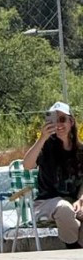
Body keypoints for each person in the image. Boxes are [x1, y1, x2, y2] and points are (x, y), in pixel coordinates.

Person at [23, 101, 83, 249]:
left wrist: (81, 200)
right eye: (54, 120)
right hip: (46, 203)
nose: (59, 124)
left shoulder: (80, 151)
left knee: (72, 209)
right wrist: (42, 137)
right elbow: (27, 165)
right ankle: (73, 248)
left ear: (71, 122)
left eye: (62, 119)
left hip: (74, 201)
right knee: (64, 209)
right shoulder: (45, 147)